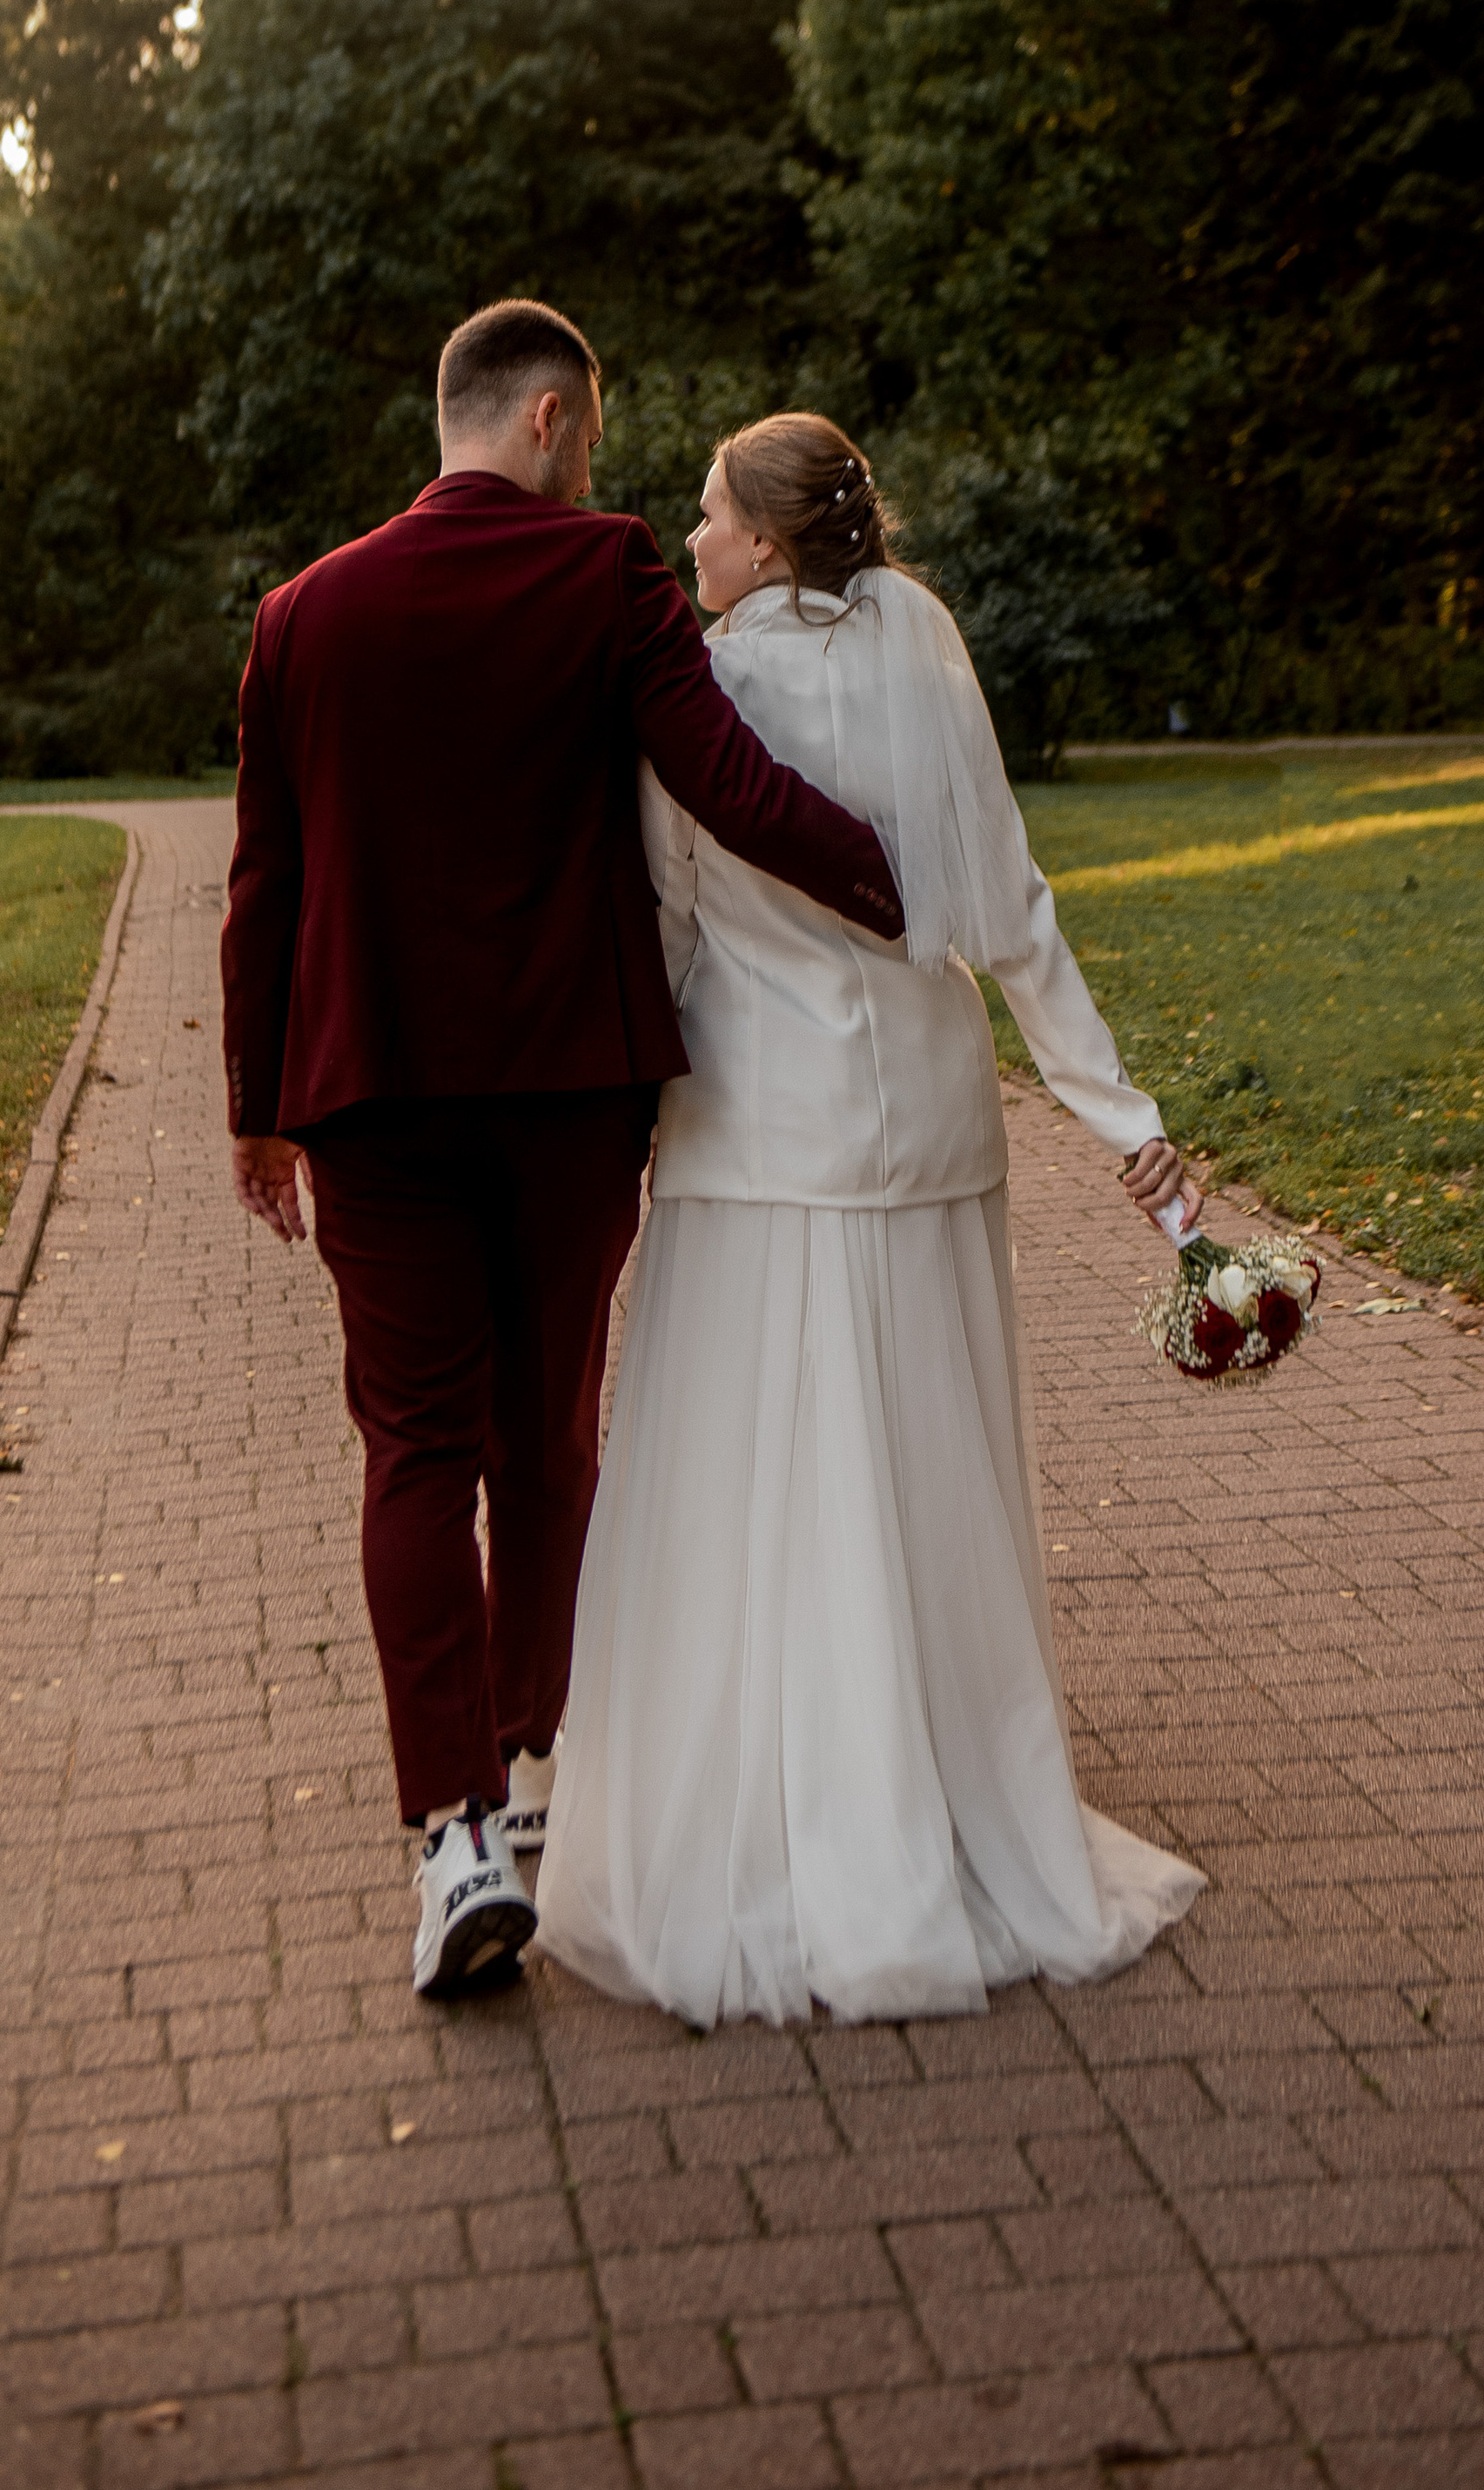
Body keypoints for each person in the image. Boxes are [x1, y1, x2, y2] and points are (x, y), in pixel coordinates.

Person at [219, 307, 909, 2000]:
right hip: (567, 1096)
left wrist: (256, 1104)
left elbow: (264, 889)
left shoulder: (299, 617)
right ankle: (530, 1776)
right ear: (542, 415)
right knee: (549, 1437)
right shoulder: (602, 577)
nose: (597, 466)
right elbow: (729, 784)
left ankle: (450, 1833)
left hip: (368, 1096)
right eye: (588, 433)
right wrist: (907, 885)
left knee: (412, 1450)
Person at [534, 413, 1205, 2024]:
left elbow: (677, 923)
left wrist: (618, 1121)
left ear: (764, 545)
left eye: (705, 515)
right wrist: (1127, 1119)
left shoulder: (707, 690)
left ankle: (796, 1815)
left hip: (763, 1136)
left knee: (762, 1477)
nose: (687, 539)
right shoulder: (925, 640)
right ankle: (948, 1786)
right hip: (932, 1124)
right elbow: (1009, 904)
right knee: (916, 1468)